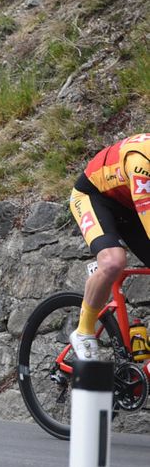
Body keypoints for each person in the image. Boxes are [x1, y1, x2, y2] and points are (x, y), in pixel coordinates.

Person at [67, 133, 150, 361]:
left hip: (129, 203)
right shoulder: (141, 160)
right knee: (113, 261)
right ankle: (84, 331)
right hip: (93, 196)